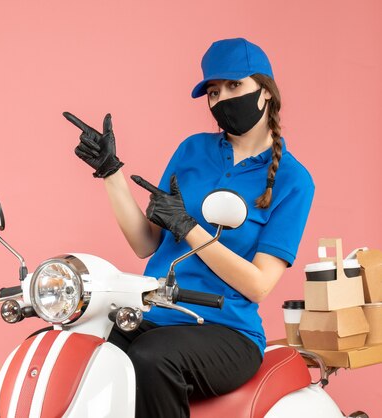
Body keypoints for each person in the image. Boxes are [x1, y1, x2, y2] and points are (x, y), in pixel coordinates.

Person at [63, 37, 315, 418]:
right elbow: (146, 244)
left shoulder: (294, 180)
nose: (222, 99)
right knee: (76, 350)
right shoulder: (192, 150)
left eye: (234, 86)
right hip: (153, 313)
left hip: (226, 329)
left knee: (152, 359)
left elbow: (258, 284)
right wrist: (110, 173)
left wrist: (189, 227)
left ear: (265, 91)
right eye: (213, 92)